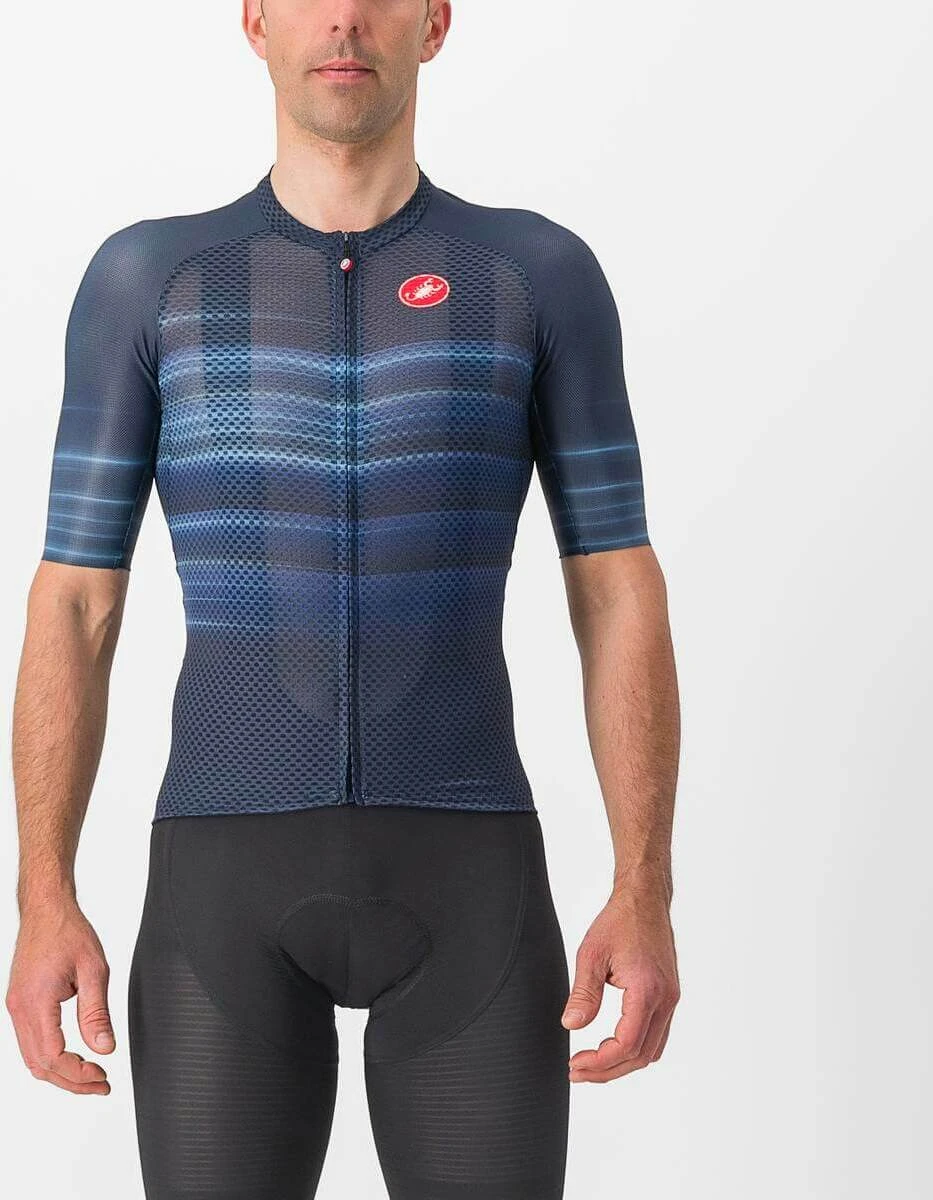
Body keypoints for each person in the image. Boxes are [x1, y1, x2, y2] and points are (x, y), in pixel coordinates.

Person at [6, 2, 681, 1196]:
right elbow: (73, 604)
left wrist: (645, 888)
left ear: (434, 23)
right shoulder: (151, 281)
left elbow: (617, 590)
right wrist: (42, 895)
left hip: (470, 881)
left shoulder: (532, 276)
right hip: (221, 887)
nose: (344, 18)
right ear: (255, 21)